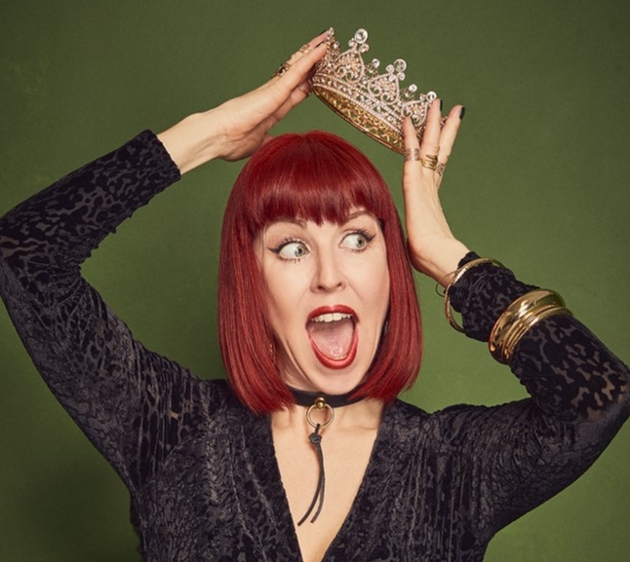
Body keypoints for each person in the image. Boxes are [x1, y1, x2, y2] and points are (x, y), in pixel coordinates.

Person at [0, 30, 628, 562]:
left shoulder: (451, 465)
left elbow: (599, 398)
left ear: (391, 268)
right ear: (252, 277)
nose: (329, 274)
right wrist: (207, 135)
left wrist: (450, 259)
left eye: (358, 238)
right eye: (292, 248)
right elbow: (25, 254)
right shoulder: (172, 431)